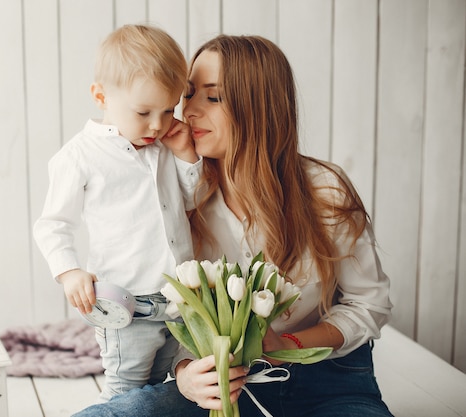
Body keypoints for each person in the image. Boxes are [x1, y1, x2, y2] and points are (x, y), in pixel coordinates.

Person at [72, 34, 393, 416]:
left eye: (213, 97)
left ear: (259, 108)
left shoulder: (325, 191)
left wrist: (286, 343)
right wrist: (187, 374)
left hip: (329, 380)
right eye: (187, 94)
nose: (187, 111)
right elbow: (170, 308)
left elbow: (368, 303)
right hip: (225, 385)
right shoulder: (178, 192)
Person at [33, 24, 201, 401]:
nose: (157, 124)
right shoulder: (80, 157)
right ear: (101, 96)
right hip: (126, 305)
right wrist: (69, 271)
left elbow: (190, 204)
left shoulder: (162, 148)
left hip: (175, 301)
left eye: (167, 110)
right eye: (143, 112)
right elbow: (53, 224)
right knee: (127, 390)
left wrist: (188, 157)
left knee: (163, 389)